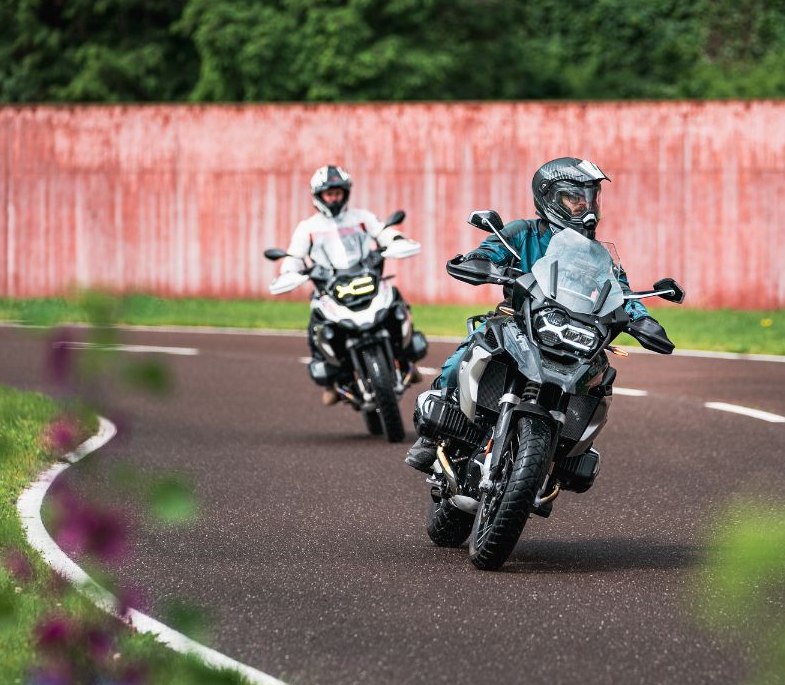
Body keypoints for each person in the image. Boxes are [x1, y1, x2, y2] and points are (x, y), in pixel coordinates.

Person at [404, 156, 673, 471]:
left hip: (574, 333)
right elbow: (492, 250)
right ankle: (435, 434)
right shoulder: (523, 232)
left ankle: (564, 454)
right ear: (549, 197)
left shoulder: (600, 257)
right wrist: (480, 260)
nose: (585, 206)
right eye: (574, 197)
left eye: (590, 197)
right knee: (470, 350)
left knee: (598, 379)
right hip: (518, 321)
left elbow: (621, 292)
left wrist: (641, 318)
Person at [277, 164, 420, 404]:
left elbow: (383, 232)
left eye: (338, 193)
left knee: (397, 302)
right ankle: (332, 382)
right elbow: (293, 257)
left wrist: (396, 241)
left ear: (345, 193)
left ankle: (406, 360)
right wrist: (289, 272)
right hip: (330, 289)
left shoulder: (361, 218)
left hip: (367, 280)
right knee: (316, 325)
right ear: (319, 196)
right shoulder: (308, 228)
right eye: (329, 193)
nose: (334, 198)